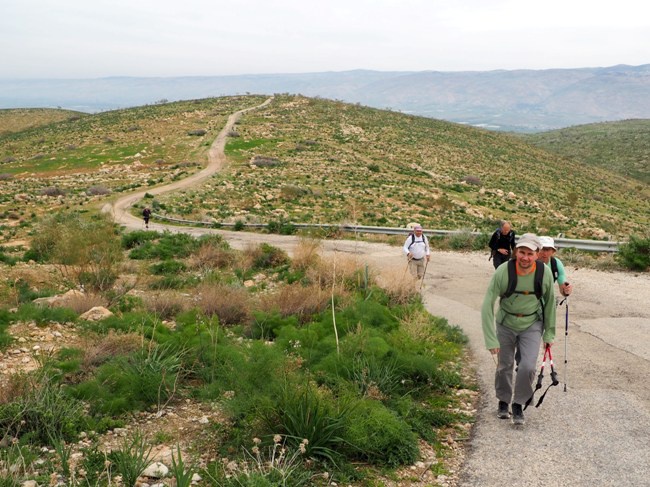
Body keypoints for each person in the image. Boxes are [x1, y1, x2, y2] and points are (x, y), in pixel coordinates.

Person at [481, 233, 556, 425]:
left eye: (530, 253)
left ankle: (519, 403)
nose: (525, 257)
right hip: (505, 323)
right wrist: (491, 339)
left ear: (537, 254)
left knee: (528, 366)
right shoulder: (503, 271)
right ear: (516, 252)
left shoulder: (544, 272)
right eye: (522, 252)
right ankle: (504, 400)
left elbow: (549, 303)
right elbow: (488, 303)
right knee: (504, 365)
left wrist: (549, 332)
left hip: (532, 324)